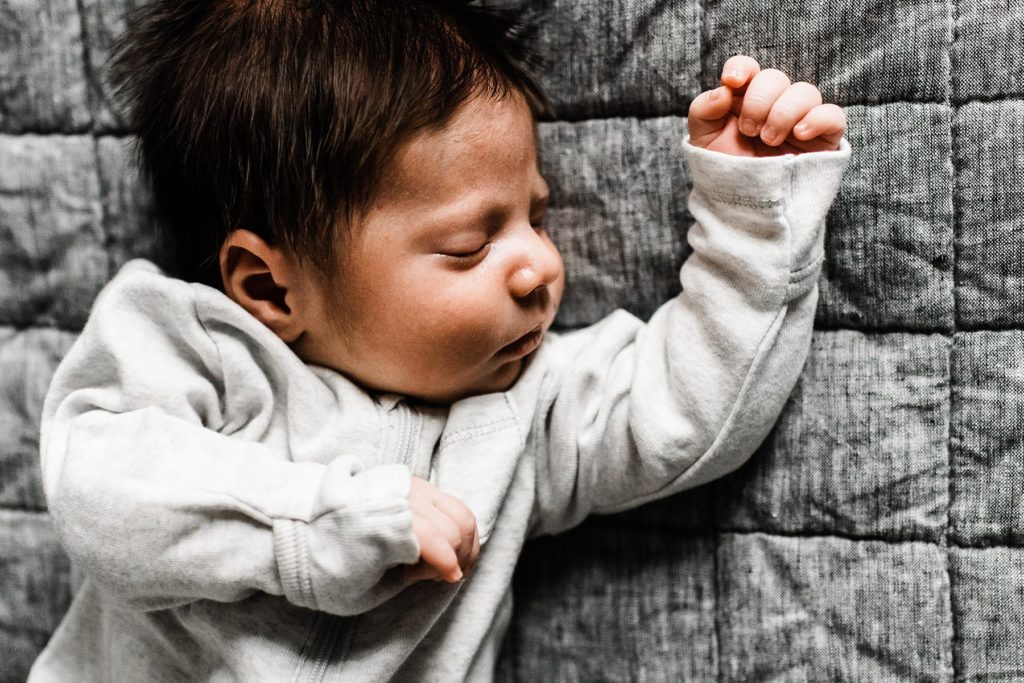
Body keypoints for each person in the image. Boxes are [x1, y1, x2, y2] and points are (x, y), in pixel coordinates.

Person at [29, 1, 850, 680]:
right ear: (273, 286)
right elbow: (100, 483)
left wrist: (754, 214)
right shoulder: (197, 347)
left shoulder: (523, 408)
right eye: (469, 243)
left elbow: (688, 414)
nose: (538, 265)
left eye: (536, 213)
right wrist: (314, 521)